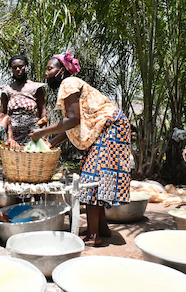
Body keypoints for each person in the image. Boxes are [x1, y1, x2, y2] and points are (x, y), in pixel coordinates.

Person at [29, 51, 131, 246]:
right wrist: (51, 143)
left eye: (50, 69)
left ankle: (94, 235)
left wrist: (41, 134)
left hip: (110, 128)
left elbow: (72, 120)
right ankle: (101, 228)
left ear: (62, 71)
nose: (46, 73)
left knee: (90, 177)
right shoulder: (73, 85)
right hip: (112, 127)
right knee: (96, 177)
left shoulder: (69, 83)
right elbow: (74, 124)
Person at [0, 55, 47, 149]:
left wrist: (44, 133)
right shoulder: (7, 90)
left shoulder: (36, 87)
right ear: (11, 69)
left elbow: (43, 111)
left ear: (26, 67)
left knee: (33, 158)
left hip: (33, 133)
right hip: (12, 136)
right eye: (14, 67)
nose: (18, 69)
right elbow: (3, 112)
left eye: (21, 66)